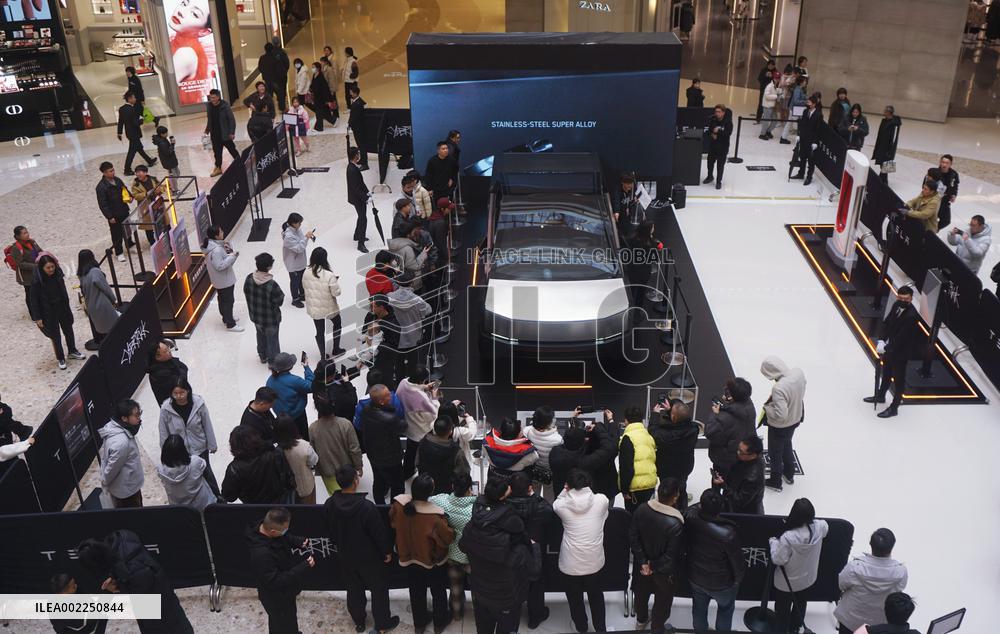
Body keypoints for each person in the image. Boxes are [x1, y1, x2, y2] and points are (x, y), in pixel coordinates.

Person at [325, 465, 401, 633]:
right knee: (379, 589)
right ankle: (382, 622)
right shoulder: (367, 507)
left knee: (353, 588)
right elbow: (378, 534)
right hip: (369, 558)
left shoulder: (329, 504)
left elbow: (329, 529)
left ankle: (359, 621)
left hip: (345, 555)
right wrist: (386, 552)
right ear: (356, 481)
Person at [460, 476, 540, 634]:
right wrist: (535, 547)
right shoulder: (515, 543)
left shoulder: (472, 527)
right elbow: (534, 571)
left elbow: (462, 547)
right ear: (503, 496)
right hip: (506, 599)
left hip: (480, 592)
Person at [77, 530, 193, 633]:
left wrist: (117, 588)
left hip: (157, 606)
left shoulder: (133, 573)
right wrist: (114, 577)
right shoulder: (121, 536)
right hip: (159, 589)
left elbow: (139, 598)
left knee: (170, 625)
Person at [389, 473, 455, 633]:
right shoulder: (434, 517)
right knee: (438, 591)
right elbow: (447, 538)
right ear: (430, 493)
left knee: (416, 591)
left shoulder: (399, 506)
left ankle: (419, 623)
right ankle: (439, 623)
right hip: (431, 561)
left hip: (407, 557)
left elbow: (392, 523)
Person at [555, 468, 610, 633]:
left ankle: (581, 627)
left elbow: (558, 499)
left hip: (570, 563)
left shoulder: (561, 506)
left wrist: (565, 490)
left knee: (574, 599)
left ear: (568, 486)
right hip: (594, 562)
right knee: (596, 597)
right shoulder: (602, 501)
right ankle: (601, 628)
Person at [685, 488, 745, 633]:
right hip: (723, 584)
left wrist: (702, 504)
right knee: (725, 610)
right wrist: (737, 582)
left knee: (699, 608)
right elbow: (738, 564)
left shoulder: (691, 518)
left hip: (697, 578)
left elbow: (690, 508)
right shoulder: (728, 534)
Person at [247, 507, 315, 634]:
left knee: (286, 621)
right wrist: (303, 567)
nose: (286, 531)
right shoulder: (261, 555)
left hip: (285, 592)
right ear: (272, 531)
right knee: (282, 624)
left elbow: (283, 537)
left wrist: (297, 541)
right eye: (284, 530)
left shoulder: (266, 527)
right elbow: (275, 581)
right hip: (276, 597)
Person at [630, 478, 685, 634]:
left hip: (641, 567)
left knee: (641, 595)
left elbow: (633, 537)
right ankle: (657, 628)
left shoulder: (641, 509)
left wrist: (643, 563)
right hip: (663, 572)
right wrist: (652, 566)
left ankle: (640, 622)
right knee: (662, 601)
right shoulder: (676, 523)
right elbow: (671, 556)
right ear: (675, 497)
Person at [769, 498, 829, 633]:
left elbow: (778, 559)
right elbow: (826, 528)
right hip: (807, 579)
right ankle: (795, 628)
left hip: (786, 584)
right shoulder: (819, 527)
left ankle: (781, 629)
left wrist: (773, 542)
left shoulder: (788, 537)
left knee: (782, 610)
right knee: (800, 605)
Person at [835, 528, 909, 634]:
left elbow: (841, 584)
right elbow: (899, 591)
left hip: (850, 621)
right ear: (892, 547)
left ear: (870, 544)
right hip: (879, 624)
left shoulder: (854, 567)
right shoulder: (901, 572)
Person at [505, 471, 554, 628]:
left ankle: (513, 619)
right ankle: (535, 616)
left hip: (511, 549)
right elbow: (549, 512)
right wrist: (534, 496)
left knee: (513, 583)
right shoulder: (540, 505)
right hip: (534, 549)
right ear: (530, 488)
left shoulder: (504, 505)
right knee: (536, 584)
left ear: (510, 489)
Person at [864, 285, 921, 418]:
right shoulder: (896, 305)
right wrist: (882, 340)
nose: (902, 300)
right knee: (886, 373)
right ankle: (881, 395)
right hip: (890, 348)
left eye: (905, 299)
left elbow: (902, 337)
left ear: (911, 299)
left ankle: (894, 407)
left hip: (901, 352)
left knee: (899, 380)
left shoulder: (912, 316)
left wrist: (886, 347)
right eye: (900, 298)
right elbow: (887, 323)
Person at [157, 377, 219, 494]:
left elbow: (207, 425)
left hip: (199, 447)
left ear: (188, 391)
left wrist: (212, 444)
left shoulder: (198, 404)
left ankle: (217, 497)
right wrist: (166, 451)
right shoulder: (166, 409)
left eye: (182, 392)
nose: (179, 396)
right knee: (186, 477)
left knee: (207, 473)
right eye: (175, 393)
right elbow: (163, 431)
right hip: (180, 450)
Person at [429, 471, 476, 619]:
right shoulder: (476, 508)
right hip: (471, 557)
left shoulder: (442, 502)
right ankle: (479, 613)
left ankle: (456, 614)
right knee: (477, 588)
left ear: (452, 486)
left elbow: (429, 498)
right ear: (470, 488)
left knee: (455, 588)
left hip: (452, 555)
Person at [29, 254, 83, 371]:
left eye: (52, 267)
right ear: (42, 268)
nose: (51, 270)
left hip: (62, 307)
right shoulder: (36, 282)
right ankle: (61, 358)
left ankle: (72, 350)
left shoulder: (58, 275)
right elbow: (34, 301)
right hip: (48, 312)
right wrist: (38, 318)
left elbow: (63, 292)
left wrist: (67, 307)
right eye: (48, 268)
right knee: (55, 335)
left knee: (68, 329)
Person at [761, 356, 807, 492]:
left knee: (775, 452)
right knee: (787, 444)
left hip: (780, 426)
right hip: (796, 418)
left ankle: (775, 481)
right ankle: (789, 473)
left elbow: (781, 415)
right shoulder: (798, 373)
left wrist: (767, 408)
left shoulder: (779, 388)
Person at [221, 426, 296, 504]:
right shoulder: (274, 455)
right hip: (281, 504)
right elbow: (289, 479)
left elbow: (229, 496)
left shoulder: (234, 469)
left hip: (254, 509)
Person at [549, 409, 617, 494]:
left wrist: (573, 419)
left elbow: (572, 439)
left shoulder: (555, 453)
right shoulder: (586, 461)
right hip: (595, 496)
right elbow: (609, 447)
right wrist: (599, 427)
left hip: (562, 498)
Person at [649, 400, 699, 509]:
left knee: (666, 490)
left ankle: (666, 508)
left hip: (666, 468)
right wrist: (670, 412)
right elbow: (680, 424)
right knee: (682, 487)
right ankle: (682, 509)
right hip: (685, 467)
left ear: (674, 418)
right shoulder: (694, 429)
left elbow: (653, 432)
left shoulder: (667, 436)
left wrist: (655, 415)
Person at [362, 384, 408, 503]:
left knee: (378, 481)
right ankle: (395, 507)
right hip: (391, 458)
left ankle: (380, 506)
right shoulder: (390, 419)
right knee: (397, 485)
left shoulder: (366, 409)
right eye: (388, 395)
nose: (391, 396)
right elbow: (403, 427)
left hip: (373, 454)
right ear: (381, 402)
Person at [704, 377, 756, 479]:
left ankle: (716, 493)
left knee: (718, 480)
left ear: (732, 397)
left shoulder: (725, 418)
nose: (725, 393)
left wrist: (715, 415)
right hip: (741, 455)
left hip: (724, 458)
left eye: (728, 391)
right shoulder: (749, 407)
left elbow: (709, 433)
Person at [98, 400, 145, 508]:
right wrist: (104, 482)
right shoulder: (121, 443)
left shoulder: (117, 427)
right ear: (124, 418)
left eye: (139, 413)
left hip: (127, 485)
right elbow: (112, 468)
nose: (139, 418)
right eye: (136, 415)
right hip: (127, 491)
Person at [396, 365, 441, 478]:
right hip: (420, 430)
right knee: (422, 454)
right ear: (421, 380)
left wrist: (424, 387)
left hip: (408, 425)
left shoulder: (403, 382)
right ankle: (423, 476)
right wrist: (435, 398)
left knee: (410, 453)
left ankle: (407, 472)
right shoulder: (421, 397)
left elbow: (411, 389)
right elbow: (434, 413)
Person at [388, 272, 432, 377]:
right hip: (414, 334)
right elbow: (428, 310)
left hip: (397, 335)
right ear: (411, 283)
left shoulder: (389, 297)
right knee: (413, 360)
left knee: (398, 361)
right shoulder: (417, 300)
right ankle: (413, 380)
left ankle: (399, 380)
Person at [156, 434, 217, 511]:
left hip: (181, 512)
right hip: (204, 506)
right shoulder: (195, 463)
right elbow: (205, 469)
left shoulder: (160, 470)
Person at [244, 253, 285, 364]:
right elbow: (280, 300)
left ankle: (262, 355)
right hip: (271, 319)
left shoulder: (249, 278)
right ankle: (273, 361)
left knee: (260, 335)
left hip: (256, 316)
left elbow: (246, 292)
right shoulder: (272, 284)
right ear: (269, 267)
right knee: (273, 340)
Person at [202, 224, 243, 332]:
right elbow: (219, 266)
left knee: (223, 299)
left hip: (219, 280)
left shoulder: (214, 247)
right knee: (228, 301)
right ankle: (230, 324)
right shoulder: (216, 250)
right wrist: (233, 256)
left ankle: (226, 318)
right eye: (221, 232)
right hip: (224, 280)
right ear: (216, 236)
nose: (223, 232)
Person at [618, 405, 658, 512]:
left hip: (634, 488)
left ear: (626, 421)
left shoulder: (627, 438)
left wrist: (625, 489)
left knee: (632, 519)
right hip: (650, 484)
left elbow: (626, 466)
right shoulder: (648, 436)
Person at [267, 352, 315, 440]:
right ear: (289, 367)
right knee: (303, 437)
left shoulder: (269, 381)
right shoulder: (294, 380)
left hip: (282, 419)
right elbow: (311, 386)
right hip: (297, 417)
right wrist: (306, 367)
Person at [713, 435, 765, 514]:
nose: (738, 453)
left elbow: (739, 501)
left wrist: (723, 485)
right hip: (733, 497)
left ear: (753, 455)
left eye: (741, 452)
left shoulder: (753, 478)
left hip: (744, 512)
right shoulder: (745, 459)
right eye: (738, 449)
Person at [418, 416, 470, 496]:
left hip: (425, 487)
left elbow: (417, 463)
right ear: (450, 431)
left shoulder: (422, 443)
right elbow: (463, 473)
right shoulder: (456, 451)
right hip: (447, 491)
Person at [274, 413, 319, 504]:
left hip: (285, 491)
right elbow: (314, 460)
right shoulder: (304, 445)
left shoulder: (274, 449)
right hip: (305, 487)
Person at [523, 405, 564, 501]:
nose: (554, 419)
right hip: (549, 472)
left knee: (533, 496)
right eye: (552, 418)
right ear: (548, 422)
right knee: (549, 498)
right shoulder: (557, 439)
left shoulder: (527, 431)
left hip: (534, 470)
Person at [77, 249, 119, 342]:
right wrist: (113, 300)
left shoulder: (81, 274)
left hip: (91, 306)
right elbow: (105, 288)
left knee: (103, 332)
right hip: (103, 305)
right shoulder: (95, 271)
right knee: (114, 330)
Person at [95, 161, 133, 262]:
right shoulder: (101, 187)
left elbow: (124, 189)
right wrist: (109, 216)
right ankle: (119, 252)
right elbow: (103, 204)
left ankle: (130, 244)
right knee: (116, 233)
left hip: (123, 209)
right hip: (114, 214)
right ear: (104, 173)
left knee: (128, 229)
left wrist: (130, 196)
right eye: (110, 171)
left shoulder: (117, 180)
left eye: (113, 170)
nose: (113, 172)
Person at [484, 417, 539, 481]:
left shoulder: (487, 444)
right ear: (519, 434)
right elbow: (535, 457)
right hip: (516, 482)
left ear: (500, 430)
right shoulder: (528, 453)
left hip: (494, 479)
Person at [117, 92, 157, 175]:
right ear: (130, 98)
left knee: (139, 148)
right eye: (134, 98)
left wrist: (119, 132)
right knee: (131, 152)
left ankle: (149, 160)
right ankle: (127, 170)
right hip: (135, 133)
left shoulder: (122, 109)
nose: (135, 99)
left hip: (129, 133)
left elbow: (120, 121)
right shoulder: (132, 109)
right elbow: (136, 123)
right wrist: (142, 120)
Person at [204, 89, 239, 177]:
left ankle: (240, 163)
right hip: (215, 134)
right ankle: (218, 167)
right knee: (217, 153)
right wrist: (207, 130)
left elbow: (231, 120)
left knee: (232, 150)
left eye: (214, 97)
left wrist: (232, 132)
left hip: (225, 134)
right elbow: (210, 119)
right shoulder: (209, 106)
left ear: (218, 97)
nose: (212, 99)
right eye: (211, 97)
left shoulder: (225, 106)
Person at [281, 212, 312, 308]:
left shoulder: (297, 229)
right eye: (299, 223)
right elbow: (299, 248)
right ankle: (295, 299)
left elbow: (301, 240)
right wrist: (306, 238)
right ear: (293, 223)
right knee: (295, 282)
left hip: (300, 261)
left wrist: (305, 238)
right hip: (293, 264)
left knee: (302, 280)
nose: (300, 225)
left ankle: (302, 295)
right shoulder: (288, 237)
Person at [791, 93, 823, 185]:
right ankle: (801, 173)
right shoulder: (805, 111)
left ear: (814, 104)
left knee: (811, 160)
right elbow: (802, 124)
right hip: (804, 139)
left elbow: (818, 130)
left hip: (811, 141)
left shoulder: (818, 115)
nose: (807, 103)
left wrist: (815, 142)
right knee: (802, 157)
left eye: (809, 102)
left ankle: (809, 177)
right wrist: (799, 135)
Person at [388, 221, 431, 287]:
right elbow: (414, 266)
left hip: (399, 279)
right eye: (413, 231)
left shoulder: (395, 244)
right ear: (408, 234)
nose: (415, 233)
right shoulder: (407, 248)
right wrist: (423, 254)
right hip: (411, 282)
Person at [147, 339, 188, 405]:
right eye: (166, 351)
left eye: (168, 348)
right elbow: (181, 381)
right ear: (158, 357)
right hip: (174, 407)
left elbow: (184, 367)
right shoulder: (159, 375)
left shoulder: (168, 361)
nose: (169, 351)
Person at [9, 225, 40, 313]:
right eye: (24, 233)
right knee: (30, 294)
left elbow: (40, 251)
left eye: (27, 232)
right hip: (27, 276)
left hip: (37, 272)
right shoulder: (15, 248)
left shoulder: (32, 242)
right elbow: (20, 264)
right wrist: (35, 266)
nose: (27, 234)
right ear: (18, 236)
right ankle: (33, 313)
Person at [129, 165, 161, 244]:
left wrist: (160, 190)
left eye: (140, 172)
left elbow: (161, 187)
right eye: (136, 173)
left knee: (162, 222)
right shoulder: (135, 184)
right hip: (145, 207)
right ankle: (152, 243)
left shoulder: (153, 179)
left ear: (145, 173)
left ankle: (165, 238)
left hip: (157, 204)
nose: (138, 174)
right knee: (149, 227)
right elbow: (135, 196)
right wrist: (146, 194)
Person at [703, 105, 731, 190]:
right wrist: (712, 134)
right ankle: (710, 176)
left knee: (720, 165)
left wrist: (718, 131)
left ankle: (719, 181)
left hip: (723, 147)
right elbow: (709, 131)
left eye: (719, 112)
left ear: (723, 113)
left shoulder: (728, 122)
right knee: (710, 162)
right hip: (713, 146)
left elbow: (727, 133)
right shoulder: (713, 120)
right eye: (716, 112)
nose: (717, 113)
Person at [347, 146, 370, 252]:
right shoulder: (352, 169)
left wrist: (367, 192)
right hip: (358, 199)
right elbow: (356, 188)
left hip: (358, 197)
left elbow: (360, 182)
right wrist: (365, 198)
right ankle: (361, 244)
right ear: (356, 155)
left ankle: (357, 235)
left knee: (361, 216)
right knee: (363, 219)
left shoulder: (353, 167)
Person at [872, 106, 901, 183]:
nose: (883, 112)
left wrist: (890, 151)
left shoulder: (895, 124)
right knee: (883, 165)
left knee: (886, 166)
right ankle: (882, 181)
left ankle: (882, 182)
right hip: (882, 147)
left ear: (888, 112)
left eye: (885, 111)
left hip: (888, 149)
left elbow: (894, 138)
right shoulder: (884, 121)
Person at [613, 174, 647, 239]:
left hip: (628, 213)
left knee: (628, 229)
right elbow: (616, 201)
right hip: (621, 214)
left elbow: (633, 197)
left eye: (631, 183)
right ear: (622, 183)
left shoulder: (631, 188)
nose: (630, 186)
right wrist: (616, 211)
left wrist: (635, 199)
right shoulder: (618, 191)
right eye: (628, 184)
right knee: (621, 230)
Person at [935, 154, 960, 230]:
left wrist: (954, 195)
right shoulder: (935, 172)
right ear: (940, 162)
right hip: (935, 200)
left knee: (946, 221)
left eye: (947, 163)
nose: (944, 165)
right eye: (943, 162)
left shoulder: (954, 174)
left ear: (950, 164)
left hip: (945, 201)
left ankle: (934, 230)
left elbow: (955, 186)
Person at [348, 85, 369, 169]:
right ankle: (362, 160)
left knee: (362, 146)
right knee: (360, 146)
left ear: (355, 93)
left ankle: (365, 164)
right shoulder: (358, 101)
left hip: (359, 128)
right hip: (358, 128)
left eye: (351, 92)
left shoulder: (358, 104)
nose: (350, 93)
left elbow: (354, 117)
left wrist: (349, 124)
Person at [759, 74, 783, 140]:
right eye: (776, 78)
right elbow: (766, 96)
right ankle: (762, 134)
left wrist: (779, 91)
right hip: (767, 106)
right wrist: (776, 96)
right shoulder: (769, 86)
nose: (777, 79)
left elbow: (776, 92)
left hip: (773, 106)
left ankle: (768, 131)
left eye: (778, 78)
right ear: (773, 78)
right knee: (766, 121)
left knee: (775, 120)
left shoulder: (775, 86)